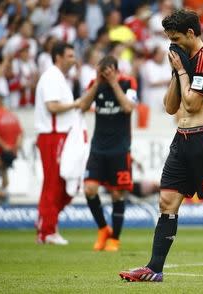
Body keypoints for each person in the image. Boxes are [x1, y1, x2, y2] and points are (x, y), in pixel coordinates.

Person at [119, 9, 203, 283]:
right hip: (182, 138)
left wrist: (180, 70)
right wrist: (176, 73)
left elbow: (191, 104)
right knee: (166, 201)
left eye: (176, 37)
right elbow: (170, 107)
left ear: (191, 33)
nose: (172, 43)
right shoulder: (183, 60)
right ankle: (154, 268)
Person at [34, 42, 90, 245]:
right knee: (54, 183)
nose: (73, 59)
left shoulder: (59, 78)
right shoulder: (51, 77)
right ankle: (47, 230)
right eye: (69, 55)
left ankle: (47, 225)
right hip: (52, 134)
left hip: (61, 135)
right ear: (57, 57)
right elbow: (52, 106)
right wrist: (76, 103)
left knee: (63, 183)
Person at [80, 55, 137, 252]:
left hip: (119, 149)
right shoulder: (95, 84)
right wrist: (97, 83)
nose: (105, 75)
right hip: (98, 148)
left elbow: (129, 108)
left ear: (115, 69)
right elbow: (83, 106)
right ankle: (103, 228)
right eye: (102, 72)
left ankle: (115, 239)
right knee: (89, 189)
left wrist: (114, 84)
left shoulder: (128, 82)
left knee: (116, 194)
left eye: (108, 72)